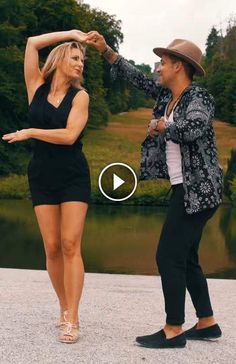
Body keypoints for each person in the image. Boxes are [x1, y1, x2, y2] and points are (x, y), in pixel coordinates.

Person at [86, 32, 224, 349]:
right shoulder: (167, 97)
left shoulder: (198, 97)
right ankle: (207, 323)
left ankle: (173, 329)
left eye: (163, 63)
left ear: (178, 66)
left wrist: (164, 127)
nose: (158, 68)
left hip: (199, 191)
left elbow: (193, 128)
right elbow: (135, 78)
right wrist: (106, 50)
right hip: (186, 189)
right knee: (186, 256)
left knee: (167, 256)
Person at [2, 30, 91, 344]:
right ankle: (63, 306)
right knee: (52, 247)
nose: (81, 64)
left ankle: (73, 317)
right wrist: (71, 34)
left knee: (69, 244)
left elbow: (69, 136)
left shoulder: (81, 97)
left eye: (83, 59)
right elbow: (31, 44)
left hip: (72, 175)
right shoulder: (36, 87)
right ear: (61, 58)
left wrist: (29, 132)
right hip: (40, 174)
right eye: (76, 57)